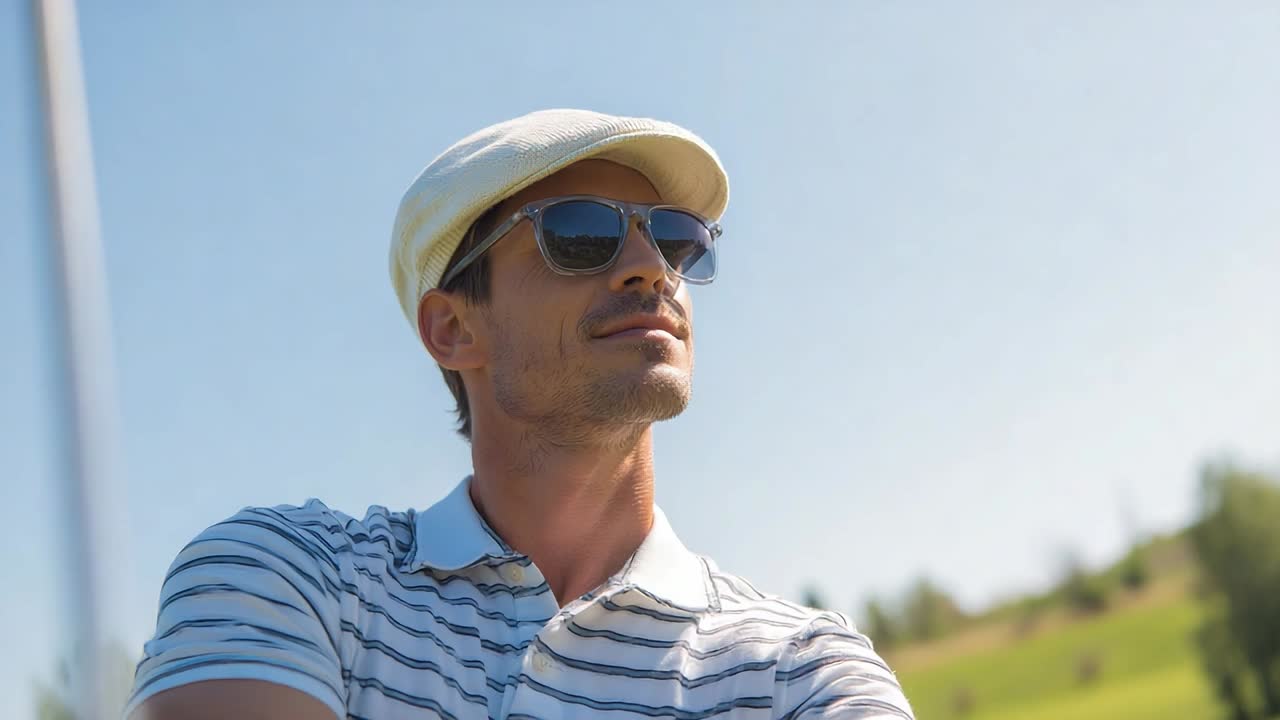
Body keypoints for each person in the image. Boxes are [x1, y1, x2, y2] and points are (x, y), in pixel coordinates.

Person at [125, 108, 915, 719]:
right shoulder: (286, 577)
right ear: (453, 328)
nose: (650, 270)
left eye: (676, 240)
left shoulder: (803, 669)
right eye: (581, 233)